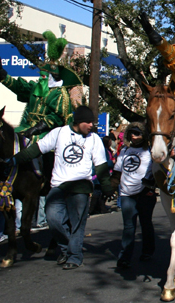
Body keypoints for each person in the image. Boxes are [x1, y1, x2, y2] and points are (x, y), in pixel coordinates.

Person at [10, 105, 113, 269]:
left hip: (81, 187)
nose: (91, 125)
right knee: (53, 220)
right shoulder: (59, 133)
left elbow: (100, 166)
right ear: (78, 122)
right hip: (58, 186)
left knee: (77, 224)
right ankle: (67, 248)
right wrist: (14, 160)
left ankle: (74, 256)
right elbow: (36, 150)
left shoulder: (94, 139)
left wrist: (107, 187)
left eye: (92, 122)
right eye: (88, 122)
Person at [111, 122, 156, 269]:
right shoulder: (124, 151)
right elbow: (117, 172)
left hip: (145, 194)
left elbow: (157, 173)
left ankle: (148, 251)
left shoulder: (150, 151)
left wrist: (150, 186)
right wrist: (110, 188)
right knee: (128, 227)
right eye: (131, 133)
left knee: (146, 224)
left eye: (137, 133)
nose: (133, 136)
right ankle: (125, 256)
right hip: (126, 195)